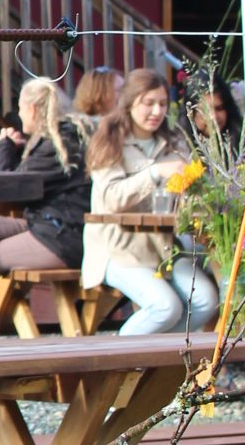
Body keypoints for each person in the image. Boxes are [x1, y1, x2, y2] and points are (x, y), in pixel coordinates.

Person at [82, 67, 218, 335]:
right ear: (130, 102)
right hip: (118, 249)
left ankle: (160, 357)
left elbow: (193, 193)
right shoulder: (110, 140)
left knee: (206, 301)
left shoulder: (174, 141)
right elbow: (110, 198)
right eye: (149, 103)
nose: (157, 111)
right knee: (165, 307)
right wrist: (154, 173)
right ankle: (116, 355)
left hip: (165, 248)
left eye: (163, 104)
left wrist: (198, 194)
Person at [0, 77, 91, 335]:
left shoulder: (57, 145)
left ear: (32, 109)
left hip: (62, 237)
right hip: (49, 225)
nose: (18, 115)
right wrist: (10, 148)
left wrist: (4, 146)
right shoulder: (63, 138)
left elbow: (6, 188)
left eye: (19, 108)